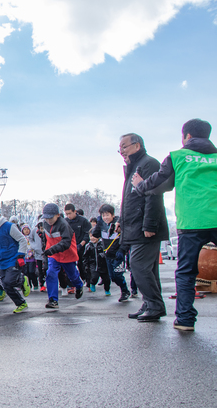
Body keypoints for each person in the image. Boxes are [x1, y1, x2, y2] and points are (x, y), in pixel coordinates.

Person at [132, 118, 217, 330]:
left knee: (186, 272)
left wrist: (139, 185)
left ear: (186, 136)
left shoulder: (177, 156)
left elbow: (159, 183)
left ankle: (185, 319)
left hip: (192, 222)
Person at [117, 132, 169, 323]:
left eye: (124, 146)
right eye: (119, 148)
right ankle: (149, 304)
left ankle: (155, 306)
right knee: (149, 269)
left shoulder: (149, 164)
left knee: (139, 267)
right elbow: (131, 200)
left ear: (137, 146)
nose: (121, 151)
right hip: (135, 227)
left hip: (145, 228)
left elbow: (154, 196)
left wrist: (149, 225)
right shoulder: (134, 167)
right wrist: (121, 222)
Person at [0, 205, 30, 314]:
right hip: (2, 260)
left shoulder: (9, 226)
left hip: (14, 258)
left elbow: (22, 240)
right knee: (5, 285)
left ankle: (22, 280)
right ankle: (21, 303)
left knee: (9, 281)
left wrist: (21, 255)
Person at [41, 203, 84, 309]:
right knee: (50, 273)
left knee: (72, 276)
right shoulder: (45, 224)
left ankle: (79, 286)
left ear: (58, 215)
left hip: (67, 254)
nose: (48, 221)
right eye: (46, 218)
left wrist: (52, 250)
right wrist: (46, 250)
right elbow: (45, 238)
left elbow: (66, 242)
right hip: (54, 254)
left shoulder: (64, 225)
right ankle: (53, 300)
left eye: (51, 218)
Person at [91, 204, 131, 300]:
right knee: (112, 277)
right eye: (103, 215)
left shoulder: (118, 224)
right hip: (108, 255)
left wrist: (122, 251)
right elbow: (95, 234)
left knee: (118, 274)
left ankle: (125, 291)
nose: (105, 218)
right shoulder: (101, 224)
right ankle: (124, 289)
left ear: (112, 215)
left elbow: (126, 239)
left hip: (118, 255)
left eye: (107, 215)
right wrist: (99, 222)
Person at [65, 203, 92, 293]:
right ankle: (72, 285)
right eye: (66, 214)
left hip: (81, 246)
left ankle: (87, 281)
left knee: (82, 265)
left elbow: (87, 233)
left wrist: (81, 244)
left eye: (70, 213)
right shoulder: (65, 222)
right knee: (69, 266)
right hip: (69, 248)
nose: (68, 216)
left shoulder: (83, 221)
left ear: (75, 212)